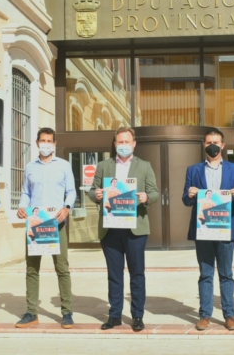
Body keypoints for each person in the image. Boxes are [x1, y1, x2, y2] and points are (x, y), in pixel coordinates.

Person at [89, 127, 159, 331]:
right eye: (120, 142)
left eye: (127, 142)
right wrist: (97, 195)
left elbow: (154, 192)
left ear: (134, 144)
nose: (123, 145)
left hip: (135, 229)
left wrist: (146, 198)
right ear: (115, 144)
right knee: (114, 274)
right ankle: (115, 315)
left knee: (137, 274)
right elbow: (92, 191)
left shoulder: (144, 166)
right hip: (110, 229)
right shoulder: (103, 166)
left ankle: (137, 315)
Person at [182, 129, 234, 331]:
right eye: (209, 141)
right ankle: (204, 315)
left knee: (226, 273)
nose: (213, 145)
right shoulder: (193, 170)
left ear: (223, 145)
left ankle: (229, 314)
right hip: (204, 230)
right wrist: (191, 194)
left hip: (226, 229)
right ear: (204, 145)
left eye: (216, 142)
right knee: (206, 274)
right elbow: (185, 200)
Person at [15, 127, 77, 329]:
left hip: (56, 225)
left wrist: (67, 208)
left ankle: (67, 312)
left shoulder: (64, 166)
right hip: (35, 225)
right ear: (37, 143)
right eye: (42, 140)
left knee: (62, 269)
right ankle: (31, 312)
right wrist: (21, 207)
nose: (46, 144)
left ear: (55, 143)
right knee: (32, 269)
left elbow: (71, 191)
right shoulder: (30, 167)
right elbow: (26, 192)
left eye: (49, 140)